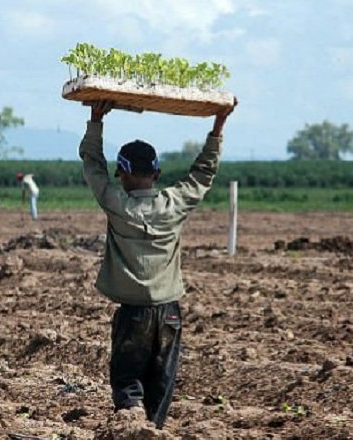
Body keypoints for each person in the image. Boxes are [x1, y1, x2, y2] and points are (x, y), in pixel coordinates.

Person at [79, 98, 237, 429]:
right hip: (170, 313)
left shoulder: (117, 204)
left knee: (127, 382)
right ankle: (153, 429)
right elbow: (204, 171)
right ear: (157, 173)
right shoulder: (174, 204)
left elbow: (92, 164)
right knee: (161, 383)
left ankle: (133, 426)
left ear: (121, 173)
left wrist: (96, 118)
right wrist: (219, 124)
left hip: (133, 313)